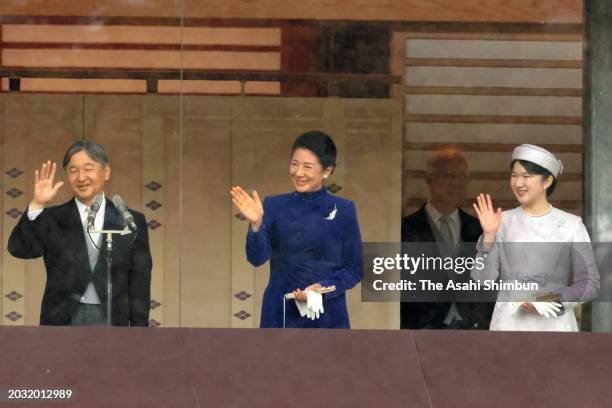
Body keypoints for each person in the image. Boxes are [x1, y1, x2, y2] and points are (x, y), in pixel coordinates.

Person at [8, 140, 152, 326]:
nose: (81, 177)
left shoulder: (130, 221)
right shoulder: (53, 217)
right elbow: (19, 249)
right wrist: (37, 205)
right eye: (73, 171)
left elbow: (139, 282)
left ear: (106, 172)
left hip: (113, 319)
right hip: (61, 320)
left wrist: (139, 333)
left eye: (88, 169)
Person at [230, 130, 363, 328]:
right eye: (294, 164)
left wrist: (322, 288)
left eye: (307, 167)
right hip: (280, 311)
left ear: (327, 170)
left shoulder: (343, 210)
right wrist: (256, 224)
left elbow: (355, 268)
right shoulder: (274, 206)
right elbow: (256, 259)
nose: (298, 173)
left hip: (327, 314)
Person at [471, 144, 600, 331]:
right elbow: (483, 280)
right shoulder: (501, 221)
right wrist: (489, 236)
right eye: (514, 176)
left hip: (555, 327)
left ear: (547, 181)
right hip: (508, 325)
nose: (518, 183)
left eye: (526, 176)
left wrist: (548, 301)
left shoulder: (571, 225)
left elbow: (589, 283)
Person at [401, 149, 493, 329]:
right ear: (430, 179)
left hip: (473, 333)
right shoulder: (404, 229)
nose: (456, 184)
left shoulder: (481, 230)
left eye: (462, 177)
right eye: (449, 176)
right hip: (420, 332)